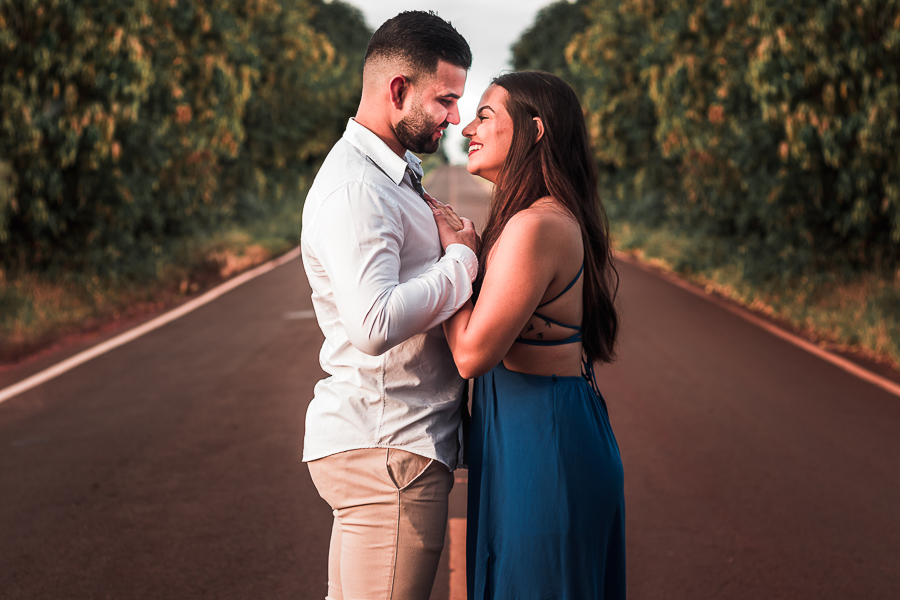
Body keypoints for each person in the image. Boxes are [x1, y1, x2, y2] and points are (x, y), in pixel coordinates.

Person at [300, 11, 479, 600]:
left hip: (386, 448)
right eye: (446, 100)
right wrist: (462, 262)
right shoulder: (360, 187)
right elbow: (373, 323)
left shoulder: (391, 173)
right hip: (390, 452)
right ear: (398, 90)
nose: (456, 117)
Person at [431, 71, 626, 598]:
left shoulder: (536, 225)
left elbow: (471, 354)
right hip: (530, 433)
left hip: (544, 442)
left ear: (534, 130)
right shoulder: (532, 218)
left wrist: (456, 258)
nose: (466, 127)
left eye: (485, 115)